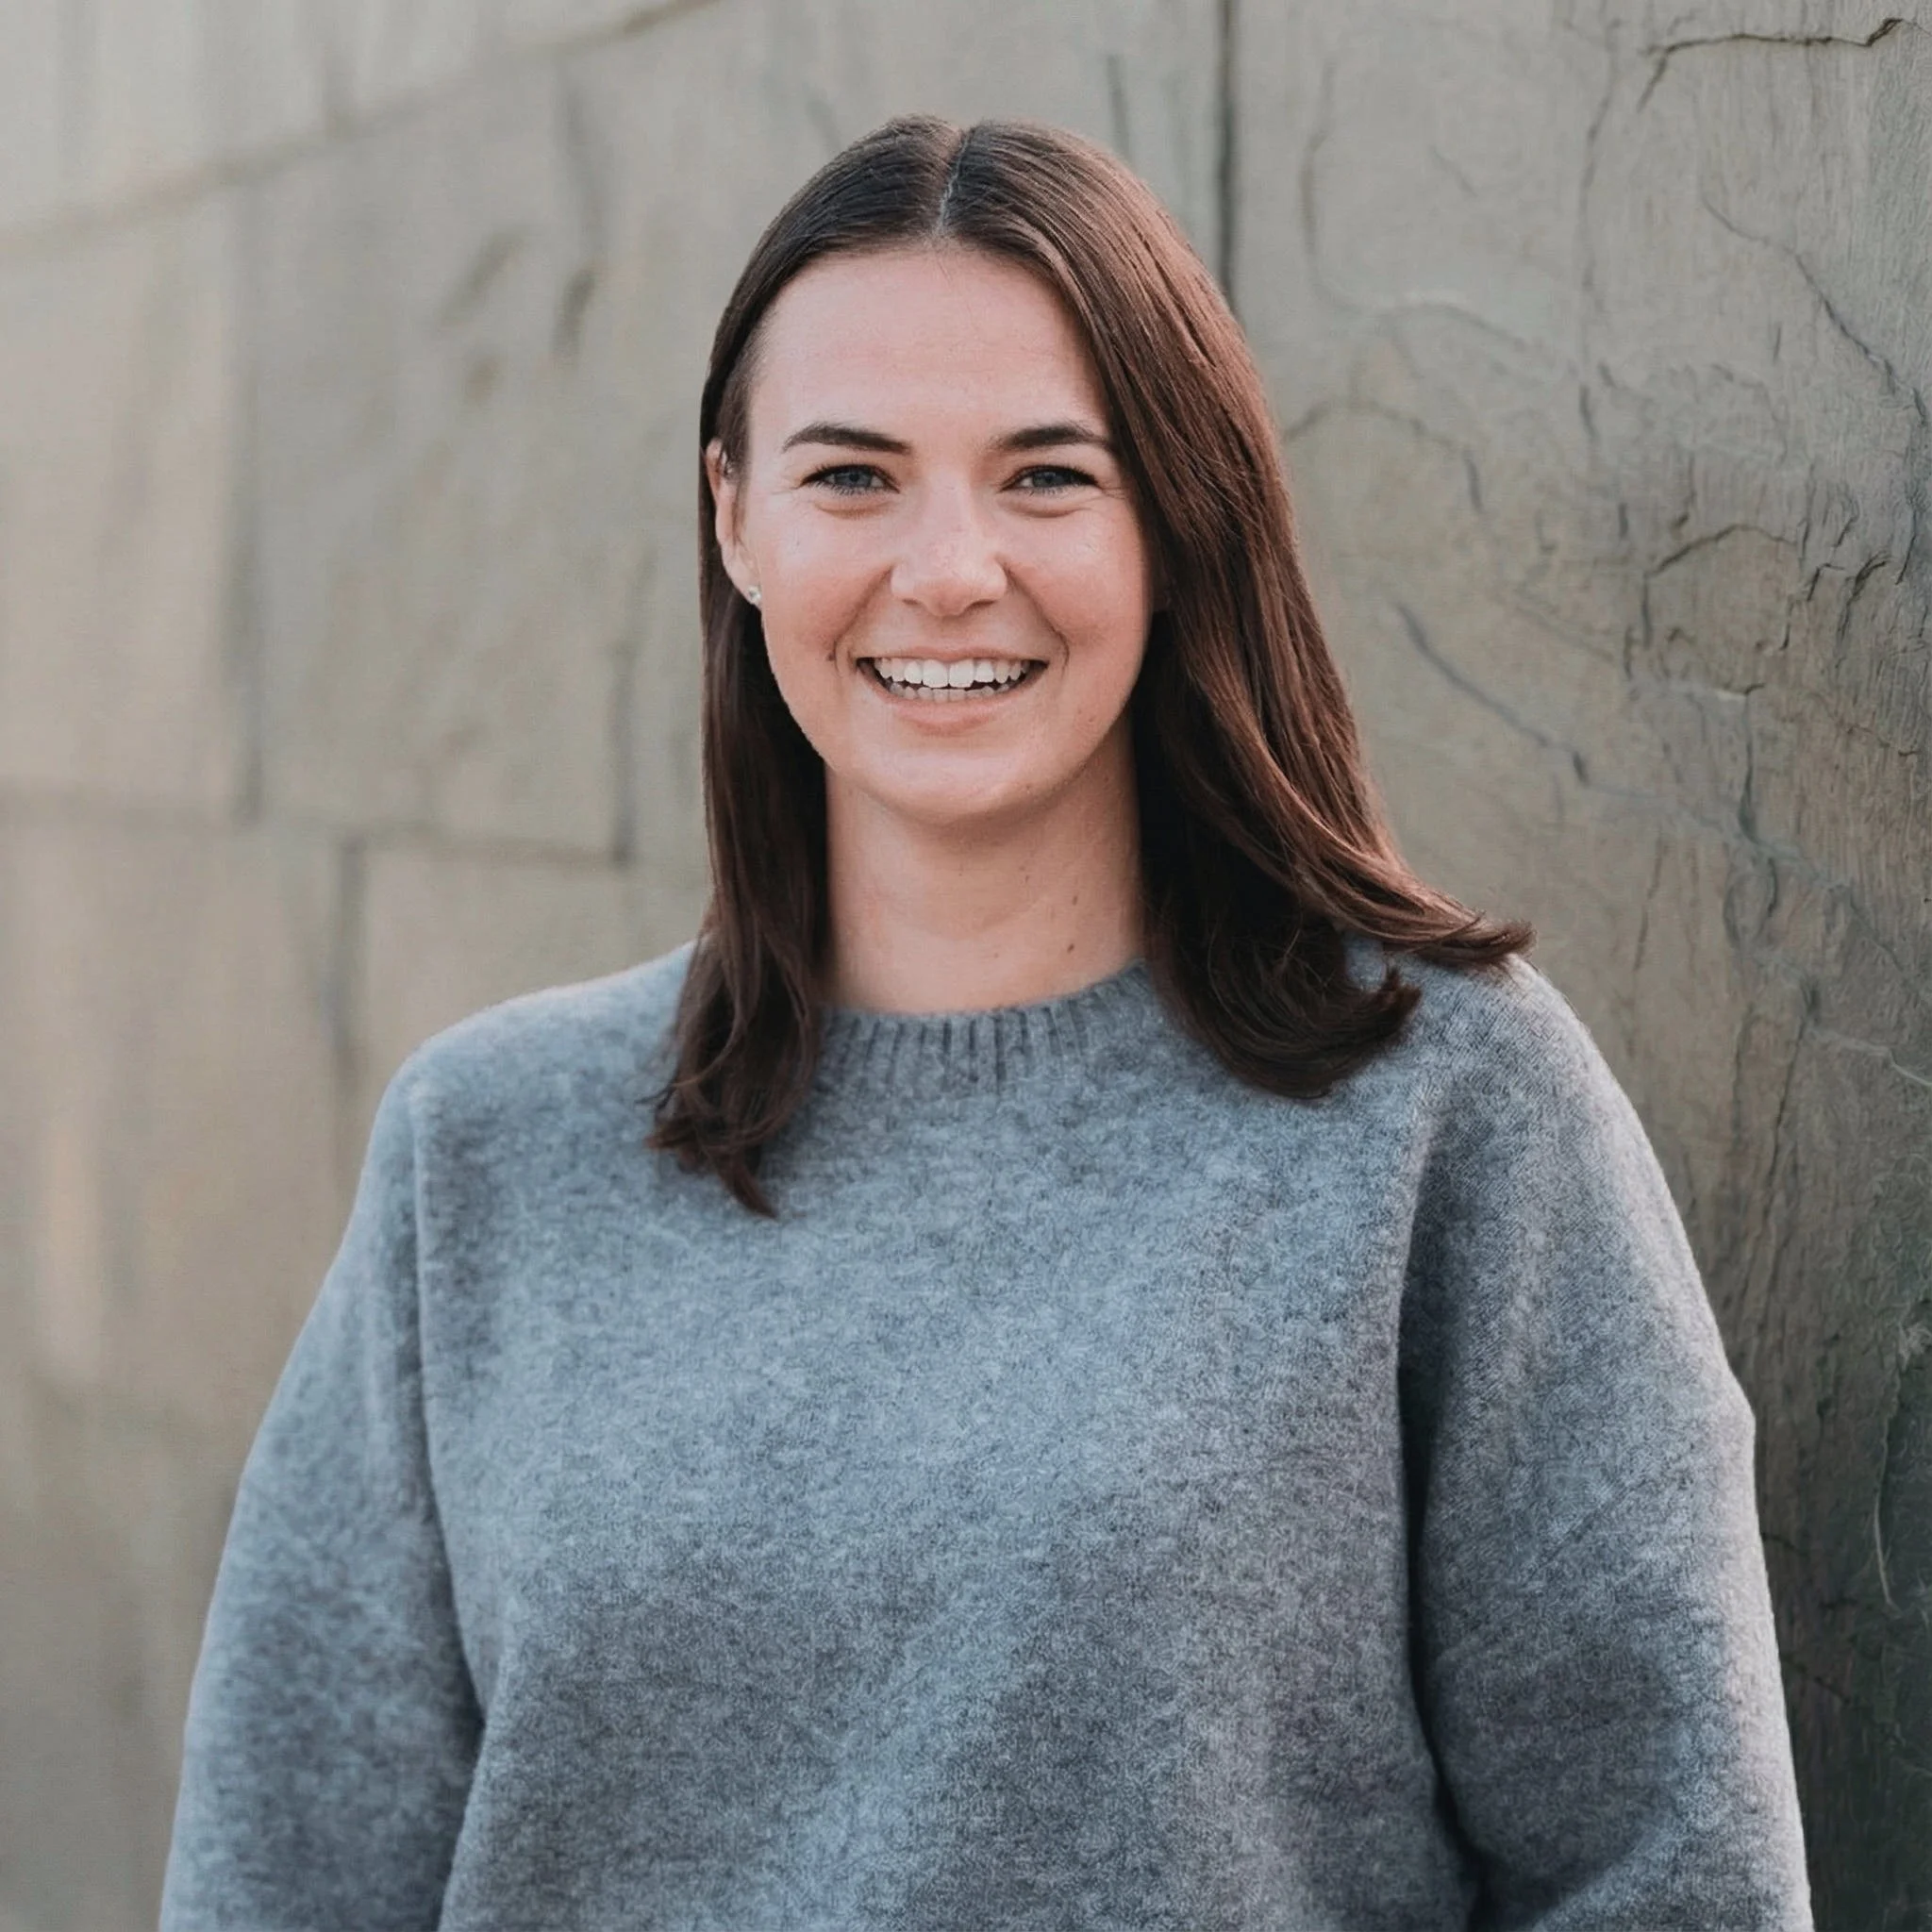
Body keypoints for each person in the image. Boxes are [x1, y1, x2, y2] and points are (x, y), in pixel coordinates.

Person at [160, 115, 1811, 1928]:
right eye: (852, 477)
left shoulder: (1443, 1110)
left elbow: (1673, 1870)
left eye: (1047, 477)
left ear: (1177, 521)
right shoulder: (484, 1149)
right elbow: (283, 1876)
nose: (949, 568)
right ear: (732, 516)